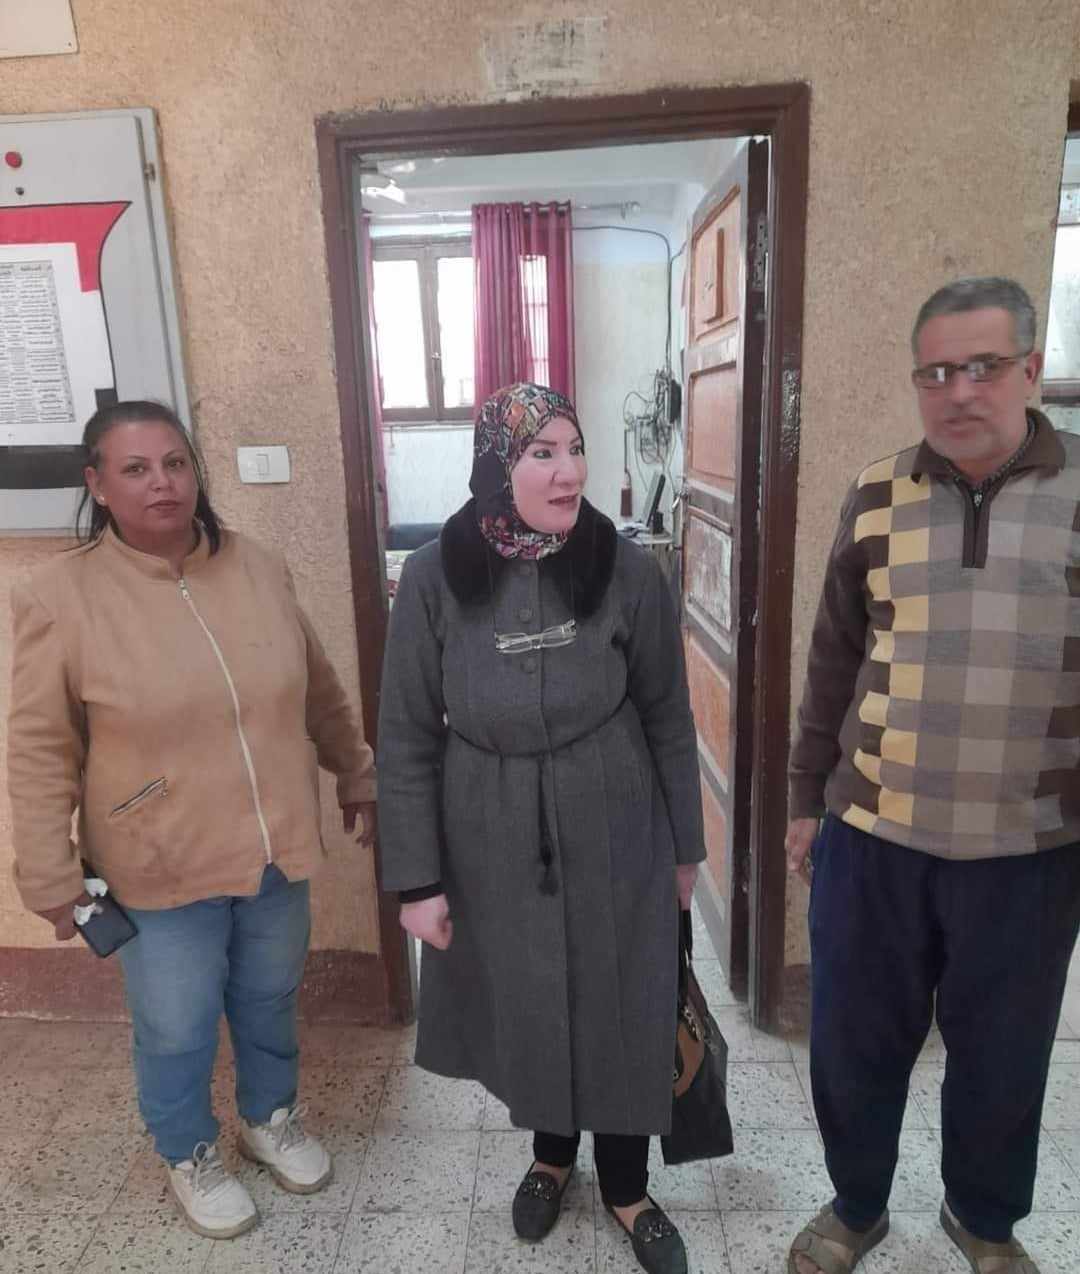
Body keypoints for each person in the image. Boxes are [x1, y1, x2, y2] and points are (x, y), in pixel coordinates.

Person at [7, 400, 376, 1240]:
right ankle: (188, 1150)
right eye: (135, 469)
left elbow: (316, 686)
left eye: (175, 463)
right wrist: (51, 874)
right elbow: (38, 749)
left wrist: (356, 771)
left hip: (274, 847)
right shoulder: (59, 597)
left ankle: (269, 1117)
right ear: (98, 484)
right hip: (157, 862)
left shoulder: (257, 567)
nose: (162, 483)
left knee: (269, 996)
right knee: (175, 1025)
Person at [785, 277, 1080, 1274]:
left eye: (982, 367)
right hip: (873, 836)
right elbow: (832, 659)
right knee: (853, 1043)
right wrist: (804, 801)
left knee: (1005, 1056)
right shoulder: (876, 493)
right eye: (936, 372)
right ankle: (856, 1205)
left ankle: (983, 1221)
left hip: (1031, 846)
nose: (958, 391)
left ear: (1030, 369)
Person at [377, 383, 705, 1274]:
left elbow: (669, 716)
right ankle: (551, 1158)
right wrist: (417, 880)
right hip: (487, 821)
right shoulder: (435, 575)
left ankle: (629, 1187)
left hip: (617, 812)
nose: (569, 472)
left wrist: (685, 848)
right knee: (530, 994)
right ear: (498, 464)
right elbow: (405, 734)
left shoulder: (627, 570)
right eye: (542, 453)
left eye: (574, 448)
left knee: (622, 993)